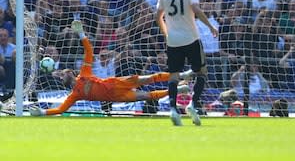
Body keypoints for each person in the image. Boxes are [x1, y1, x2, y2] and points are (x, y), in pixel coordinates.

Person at [29, 21, 192, 116]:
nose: (59, 77)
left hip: (117, 84)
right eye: (59, 77)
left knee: (150, 78)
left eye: (61, 74)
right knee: (149, 96)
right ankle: (179, 89)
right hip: (118, 97)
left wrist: (81, 33)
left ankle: (181, 74)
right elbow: (60, 109)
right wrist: (42, 113)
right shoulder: (75, 95)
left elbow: (89, 51)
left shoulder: (84, 74)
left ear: (71, 72)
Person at [156, 0, 218, 126]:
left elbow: (158, 16)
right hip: (191, 37)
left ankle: (173, 109)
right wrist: (211, 26)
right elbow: (196, 9)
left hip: (173, 40)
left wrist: (166, 33)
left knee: (174, 75)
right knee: (202, 72)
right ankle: (193, 104)